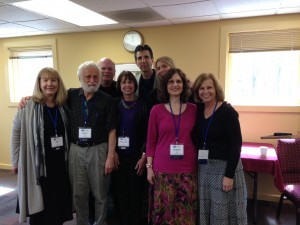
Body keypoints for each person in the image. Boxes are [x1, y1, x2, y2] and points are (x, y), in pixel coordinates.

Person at [10, 67, 73, 225]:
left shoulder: (64, 106)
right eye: (45, 80)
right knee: (39, 210)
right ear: (39, 83)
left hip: (60, 165)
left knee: (57, 209)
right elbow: (16, 134)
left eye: (53, 80)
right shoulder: (27, 106)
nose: (49, 84)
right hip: (37, 166)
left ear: (58, 83)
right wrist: (15, 160)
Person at [192, 73, 247, 225]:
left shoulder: (227, 112)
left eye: (209, 87)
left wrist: (229, 175)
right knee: (207, 208)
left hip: (224, 169)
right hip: (204, 168)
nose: (205, 91)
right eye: (201, 88)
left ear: (216, 89)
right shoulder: (198, 109)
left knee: (221, 211)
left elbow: (236, 145)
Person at [68, 61, 117, 225]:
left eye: (96, 76)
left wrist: (110, 156)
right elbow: (49, 98)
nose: (92, 80)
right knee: (79, 194)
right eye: (87, 76)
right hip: (75, 150)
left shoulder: (107, 100)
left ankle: (100, 223)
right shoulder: (71, 96)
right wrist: (29, 98)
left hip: (99, 150)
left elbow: (112, 130)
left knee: (100, 194)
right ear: (80, 78)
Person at [146, 68, 198, 225]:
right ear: (165, 86)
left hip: (188, 169)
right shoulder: (156, 110)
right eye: (171, 81)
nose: (175, 84)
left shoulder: (194, 109)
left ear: (184, 85)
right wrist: (149, 167)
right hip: (162, 170)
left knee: (186, 214)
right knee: (164, 214)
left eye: (179, 81)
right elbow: (150, 141)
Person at [112, 71, 148, 225]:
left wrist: (144, 156)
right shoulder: (114, 104)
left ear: (135, 85)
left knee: (136, 194)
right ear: (119, 86)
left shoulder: (143, 105)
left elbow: (148, 132)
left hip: (137, 157)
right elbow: (109, 130)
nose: (127, 85)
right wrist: (112, 152)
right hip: (117, 157)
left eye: (130, 82)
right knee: (121, 194)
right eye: (124, 82)